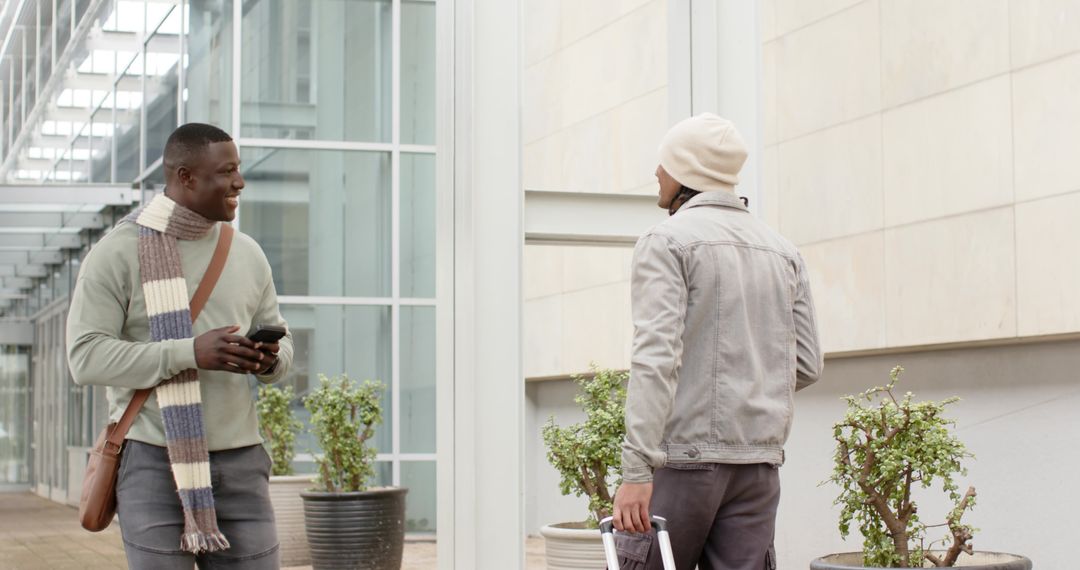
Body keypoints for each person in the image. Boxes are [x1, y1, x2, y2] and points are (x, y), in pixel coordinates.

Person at [67, 123, 293, 569]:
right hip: (152, 463)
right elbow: (85, 357)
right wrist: (189, 353)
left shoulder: (247, 253)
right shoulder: (117, 253)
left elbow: (283, 346)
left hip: (242, 461)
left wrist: (266, 361)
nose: (240, 182)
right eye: (226, 171)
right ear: (186, 177)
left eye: (238, 169)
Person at [611, 113, 823, 570]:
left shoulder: (666, 241)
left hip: (683, 463)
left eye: (663, 164)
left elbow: (655, 359)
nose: (656, 173)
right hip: (759, 469)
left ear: (685, 170)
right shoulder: (783, 251)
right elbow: (806, 363)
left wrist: (636, 470)